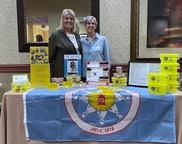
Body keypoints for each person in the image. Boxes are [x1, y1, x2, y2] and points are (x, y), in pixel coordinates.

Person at [48, 9, 82, 78]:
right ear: (62, 20)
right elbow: (50, 57)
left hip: (75, 72)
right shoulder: (55, 35)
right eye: (66, 18)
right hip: (60, 73)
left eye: (71, 19)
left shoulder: (77, 36)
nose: (69, 21)